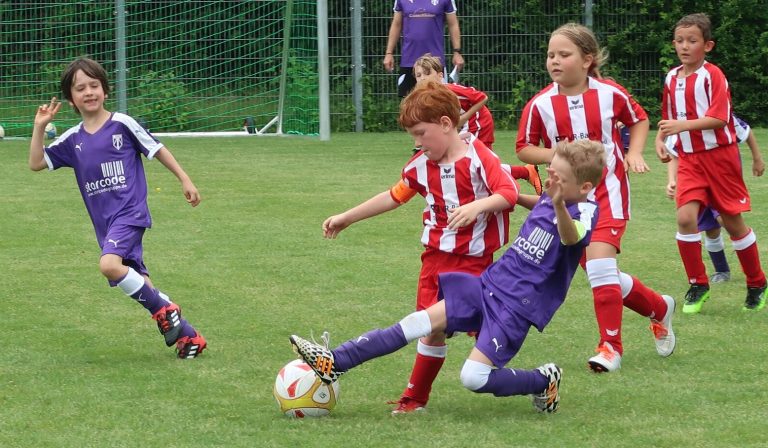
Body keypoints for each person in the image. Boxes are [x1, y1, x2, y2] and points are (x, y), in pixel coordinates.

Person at [292, 140, 630, 414]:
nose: (551, 181)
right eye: (550, 174)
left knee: (473, 377)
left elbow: (571, 238)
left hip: (515, 308)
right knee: (417, 322)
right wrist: (511, 199)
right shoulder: (555, 195)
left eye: (560, 179)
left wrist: (555, 204)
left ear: (585, 186)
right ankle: (336, 360)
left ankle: (543, 380)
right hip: (488, 284)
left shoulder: (585, 210)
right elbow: (540, 201)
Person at [322, 80, 532, 414]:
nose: (417, 143)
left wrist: (477, 206)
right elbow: (394, 196)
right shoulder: (420, 165)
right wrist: (348, 217)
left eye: (421, 133)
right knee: (432, 332)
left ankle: (345, 363)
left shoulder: (479, 156)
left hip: (474, 265)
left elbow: (507, 193)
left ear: (446, 124)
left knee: (434, 327)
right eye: (413, 136)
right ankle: (415, 398)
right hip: (434, 261)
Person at [516, 23, 676, 373]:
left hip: (608, 195)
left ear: (587, 60)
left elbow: (639, 120)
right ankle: (660, 308)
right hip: (569, 203)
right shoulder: (540, 104)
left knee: (601, 269)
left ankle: (610, 347)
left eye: (564, 54)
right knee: (603, 273)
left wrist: (634, 152)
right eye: (550, 55)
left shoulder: (610, 94)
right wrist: (560, 155)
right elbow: (524, 148)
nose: (554, 61)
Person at [28, 57, 207, 358]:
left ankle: (167, 310)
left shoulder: (122, 124)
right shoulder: (73, 140)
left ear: (105, 90)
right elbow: (35, 163)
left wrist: (184, 178)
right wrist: (39, 127)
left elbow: (156, 148)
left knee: (109, 265)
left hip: (130, 213)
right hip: (105, 224)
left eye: (94, 85)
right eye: (80, 88)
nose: (88, 92)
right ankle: (189, 337)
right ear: (71, 99)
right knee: (140, 282)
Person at [655, 13, 767, 313]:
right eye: (679, 41)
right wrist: (660, 140)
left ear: (707, 45)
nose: (684, 46)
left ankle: (757, 282)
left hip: (720, 158)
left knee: (731, 222)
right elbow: (668, 118)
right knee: (685, 218)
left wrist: (681, 126)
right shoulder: (671, 78)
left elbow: (719, 118)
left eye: (692, 41)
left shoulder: (713, 75)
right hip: (690, 160)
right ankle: (698, 284)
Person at [413, 53, 542, 194]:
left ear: (440, 76)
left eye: (427, 73)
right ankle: (525, 172)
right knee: (476, 162)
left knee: (477, 161)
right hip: (468, 126)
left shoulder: (450, 90)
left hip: (479, 123)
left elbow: (482, 97)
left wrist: (464, 118)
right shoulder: (427, 98)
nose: (423, 78)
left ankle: (508, 188)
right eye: (419, 75)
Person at [663, 114, 765, 284]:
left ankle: (754, 275)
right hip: (696, 181)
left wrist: (757, 159)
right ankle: (721, 270)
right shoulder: (681, 120)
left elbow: (746, 132)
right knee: (710, 228)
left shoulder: (721, 116)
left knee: (726, 221)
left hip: (721, 178)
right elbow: (674, 154)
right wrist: (672, 180)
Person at [383, 0, 464, 98]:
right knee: (408, 103)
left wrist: (457, 52)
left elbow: (453, 24)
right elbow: (396, 24)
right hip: (409, 61)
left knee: (438, 101)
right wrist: (389, 53)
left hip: (435, 62)